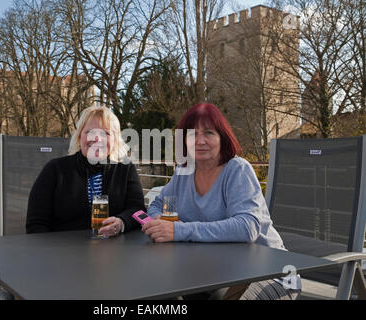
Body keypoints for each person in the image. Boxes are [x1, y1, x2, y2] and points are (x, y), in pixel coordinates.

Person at [142, 103, 301, 300]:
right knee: (155, 289)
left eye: (208, 133)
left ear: (222, 137)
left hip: (270, 272)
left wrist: (179, 231)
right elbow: (156, 204)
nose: (200, 141)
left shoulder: (237, 170)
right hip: (214, 271)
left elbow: (247, 227)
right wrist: (161, 222)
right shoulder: (184, 172)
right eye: (192, 134)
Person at [26, 105, 145, 237]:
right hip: (64, 252)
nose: (97, 139)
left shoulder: (126, 169)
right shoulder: (55, 169)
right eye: (90, 132)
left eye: (106, 133)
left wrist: (122, 222)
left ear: (115, 140)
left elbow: (138, 210)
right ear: (79, 136)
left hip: (113, 252)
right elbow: (36, 223)